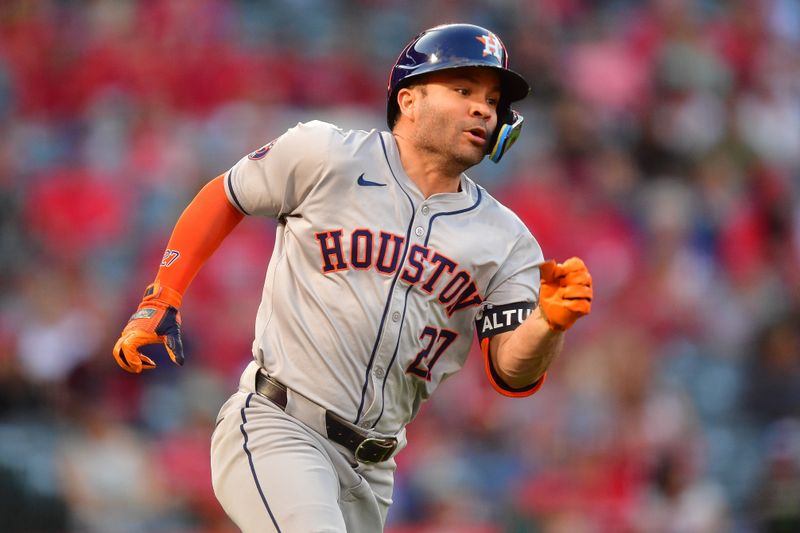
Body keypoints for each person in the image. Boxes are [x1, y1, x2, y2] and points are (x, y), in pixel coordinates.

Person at [113, 23, 593, 532]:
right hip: (281, 423)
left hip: (372, 469)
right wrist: (162, 295)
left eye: (493, 101)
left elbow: (511, 372)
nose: (483, 109)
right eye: (463, 90)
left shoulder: (508, 241)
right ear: (408, 100)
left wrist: (547, 323)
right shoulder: (328, 154)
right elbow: (226, 195)